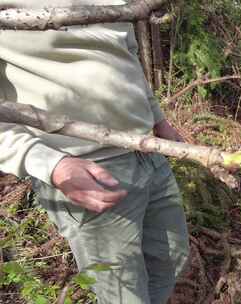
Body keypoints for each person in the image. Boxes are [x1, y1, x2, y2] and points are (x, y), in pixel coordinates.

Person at [0, 1, 190, 303]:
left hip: (147, 152)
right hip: (87, 168)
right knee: (123, 294)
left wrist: (159, 121)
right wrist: (52, 165)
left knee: (173, 260)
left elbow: (128, 56)